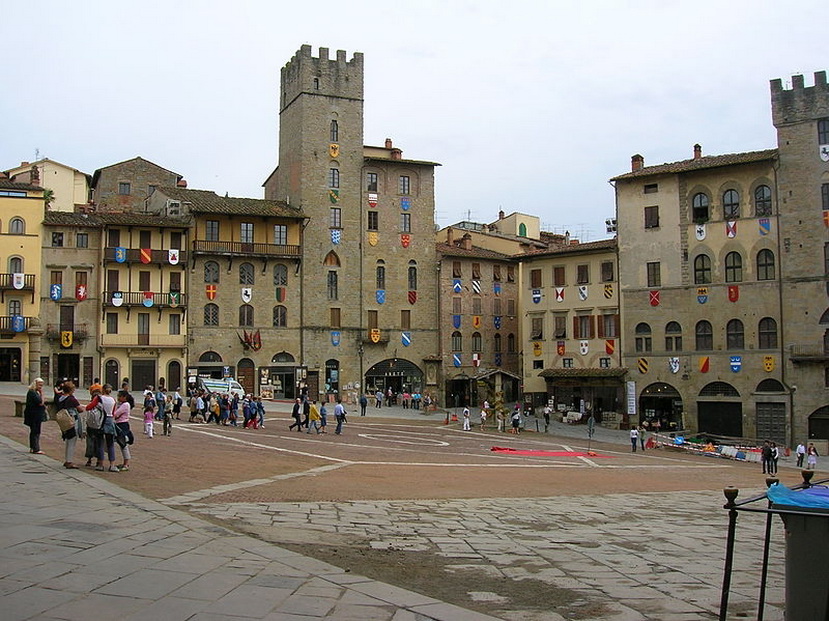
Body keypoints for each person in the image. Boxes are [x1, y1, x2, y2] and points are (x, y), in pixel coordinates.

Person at [87, 384, 118, 472]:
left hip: (101, 421)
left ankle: (100, 464)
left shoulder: (99, 398)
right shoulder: (113, 400)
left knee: (100, 443)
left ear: (102, 390)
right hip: (110, 421)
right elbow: (113, 412)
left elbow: (89, 407)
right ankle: (112, 465)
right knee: (110, 444)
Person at [55, 381, 83, 469]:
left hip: (63, 421)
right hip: (71, 420)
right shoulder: (72, 399)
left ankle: (67, 459)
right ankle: (69, 461)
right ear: (71, 390)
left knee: (68, 440)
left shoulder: (60, 398)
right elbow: (80, 409)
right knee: (72, 441)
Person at [23, 378, 47, 454]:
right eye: (39, 385)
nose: (41, 387)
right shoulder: (33, 392)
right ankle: (35, 448)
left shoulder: (34, 392)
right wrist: (42, 394)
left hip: (34, 414)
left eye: (42, 385)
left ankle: (33, 447)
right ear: (35, 384)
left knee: (34, 431)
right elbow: (40, 402)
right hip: (34, 415)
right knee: (36, 431)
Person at [113, 390, 133, 471]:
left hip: (122, 425)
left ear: (124, 397)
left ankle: (126, 463)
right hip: (120, 424)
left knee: (123, 444)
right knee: (122, 444)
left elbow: (116, 414)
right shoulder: (123, 404)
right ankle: (125, 462)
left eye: (119, 396)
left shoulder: (125, 405)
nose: (118, 398)